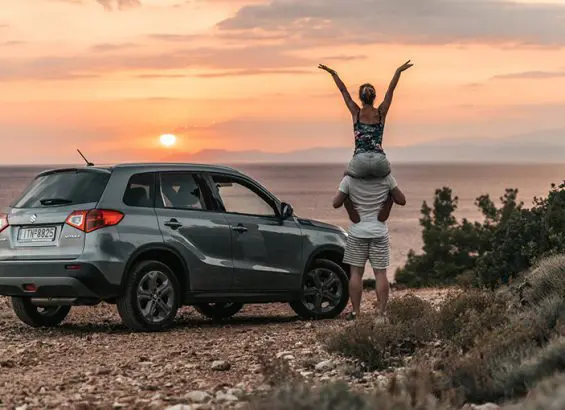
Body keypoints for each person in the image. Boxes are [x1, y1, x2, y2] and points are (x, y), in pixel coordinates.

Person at [318, 60, 413, 179]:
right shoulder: (381, 112)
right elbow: (390, 89)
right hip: (379, 161)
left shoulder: (356, 113)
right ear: (374, 97)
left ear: (360, 98)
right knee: (390, 185)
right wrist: (398, 71)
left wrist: (333, 73)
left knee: (346, 178)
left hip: (360, 161)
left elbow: (343, 90)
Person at [333, 173, 406, 322]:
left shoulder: (349, 179)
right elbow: (402, 200)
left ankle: (357, 313)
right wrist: (389, 197)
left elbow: (335, 203)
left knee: (355, 273)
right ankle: (381, 314)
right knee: (380, 273)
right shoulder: (386, 178)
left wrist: (347, 193)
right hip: (379, 232)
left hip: (357, 233)